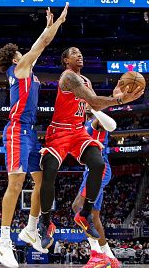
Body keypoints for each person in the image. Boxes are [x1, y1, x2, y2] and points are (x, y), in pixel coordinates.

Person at [39, 47, 143, 249]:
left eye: (80, 52)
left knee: (98, 163)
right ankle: (45, 222)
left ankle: (85, 214)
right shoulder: (68, 77)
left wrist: (114, 97)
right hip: (60, 131)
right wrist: (121, 100)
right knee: (49, 170)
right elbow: (94, 101)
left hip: (78, 131)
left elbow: (93, 107)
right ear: (66, 60)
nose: (80, 55)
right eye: (74, 53)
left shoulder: (85, 80)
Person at [0, 4, 69, 268]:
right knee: (15, 184)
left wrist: (48, 28)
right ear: (15, 58)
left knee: (44, 181)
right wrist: (57, 23)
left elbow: (42, 43)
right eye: (20, 53)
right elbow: (43, 44)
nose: (25, 53)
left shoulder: (27, 68)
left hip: (31, 133)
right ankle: (3, 240)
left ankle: (31, 229)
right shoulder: (20, 69)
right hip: (16, 131)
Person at [71, 112, 121, 268]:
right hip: (90, 171)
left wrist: (94, 108)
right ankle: (110, 258)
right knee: (94, 216)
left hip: (99, 169)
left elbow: (111, 125)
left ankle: (97, 255)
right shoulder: (81, 125)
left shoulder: (95, 121)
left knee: (78, 206)